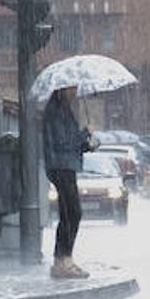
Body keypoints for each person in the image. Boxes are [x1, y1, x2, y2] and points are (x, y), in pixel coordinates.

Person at [43, 86, 97, 279]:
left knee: (70, 213)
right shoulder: (56, 112)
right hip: (61, 167)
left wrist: (87, 144)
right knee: (71, 212)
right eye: (71, 89)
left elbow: (70, 144)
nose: (74, 92)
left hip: (66, 165)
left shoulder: (63, 110)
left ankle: (65, 258)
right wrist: (84, 134)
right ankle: (62, 260)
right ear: (60, 91)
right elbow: (63, 142)